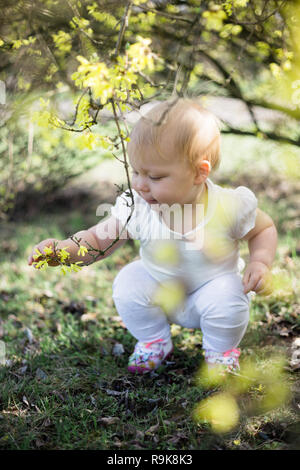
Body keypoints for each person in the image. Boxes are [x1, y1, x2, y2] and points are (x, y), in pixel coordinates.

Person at [28, 98, 277, 374]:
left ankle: (220, 352)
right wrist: (64, 251)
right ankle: (154, 341)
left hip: (211, 292)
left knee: (231, 295)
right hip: (159, 291)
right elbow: (98, 240)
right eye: (136, 172)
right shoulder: (138, 206)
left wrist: (260, 263)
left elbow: (263, 229)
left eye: (155, 177)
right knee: (128, 282)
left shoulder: (228, 205)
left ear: (198, 172)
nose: (140, 185)